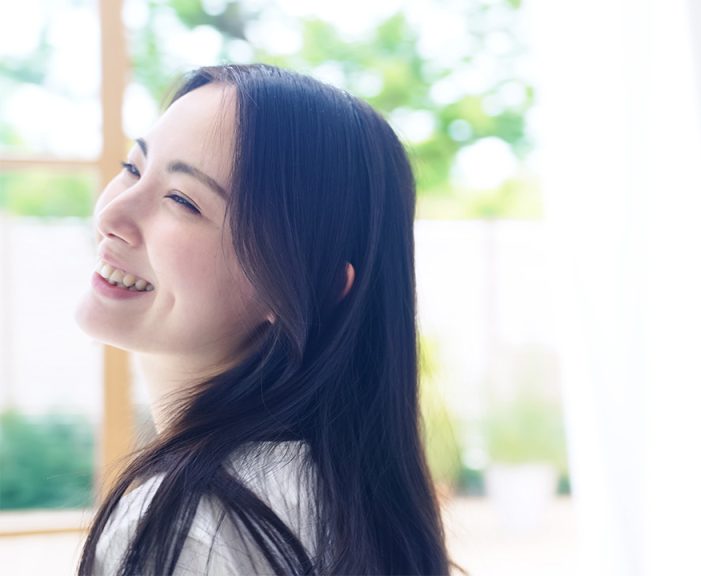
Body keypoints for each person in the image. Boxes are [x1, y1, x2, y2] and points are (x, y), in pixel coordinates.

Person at [73, 63, 458, 575]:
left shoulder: (186, 528)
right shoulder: (340, 502)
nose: (111, 216)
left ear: (309, 285)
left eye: (183, 200)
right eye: (134, 167)